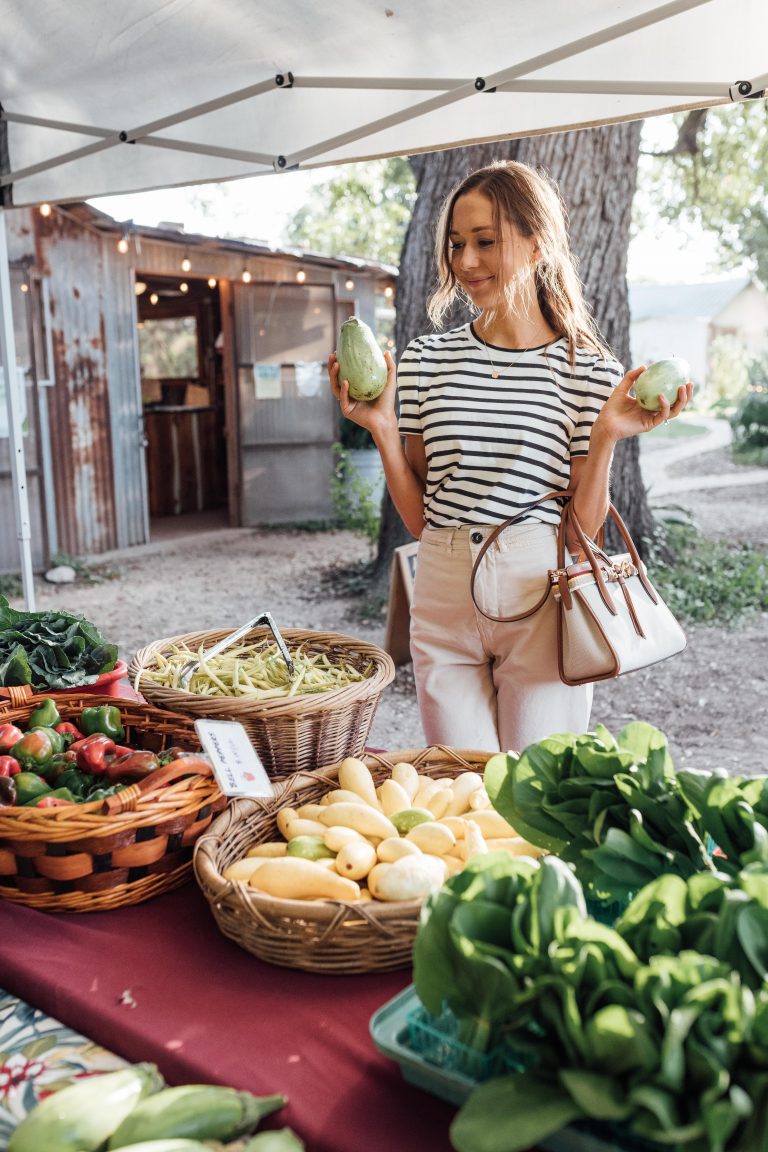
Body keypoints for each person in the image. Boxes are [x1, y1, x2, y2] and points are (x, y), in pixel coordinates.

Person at [329, 160, 692, 753]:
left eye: (485, 241)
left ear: (537, 241)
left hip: (543, 591)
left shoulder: (591, 371)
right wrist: (381, 429)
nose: (466, 261)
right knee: (464, 789)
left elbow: (584, 533)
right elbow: (423, 518)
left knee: (534, 787)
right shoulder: (424, 361)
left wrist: (604, 438)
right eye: (456, 244)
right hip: (443, 588)